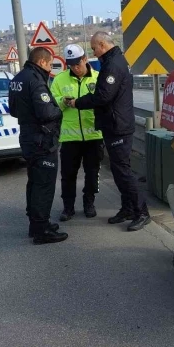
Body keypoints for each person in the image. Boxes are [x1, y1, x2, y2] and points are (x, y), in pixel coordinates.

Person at [66, 32, 150, 232]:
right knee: (119, 171)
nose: (93, 52)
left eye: (94, 48)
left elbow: (103, 96)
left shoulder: (113, 65)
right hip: (114, 124)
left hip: (118, 126)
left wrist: (78, 102)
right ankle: (128, 208)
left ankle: (142, 212)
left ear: (102, 44)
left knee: (124, 172)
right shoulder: (112, 62)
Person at [8, 47, 69, 244]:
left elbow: (14, 110)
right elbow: (46, 113)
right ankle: (42, 230)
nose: (51, 68)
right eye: (50, 64)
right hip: (42, 141)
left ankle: (36, 224)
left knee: (34, 182)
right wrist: (59, 110)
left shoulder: (17, 79)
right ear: (42, 62)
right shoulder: (35, 81)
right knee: (44, 185)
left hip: (27, 137)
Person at [50, 44, 104, 222]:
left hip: (93, 136)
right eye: (71, 64)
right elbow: (51, 103)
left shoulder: (98, 78)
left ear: (85, 59)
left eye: (77, 63)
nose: (74, 67)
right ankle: (68, 207)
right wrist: (62, 101)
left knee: (92, 173)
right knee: (68, 175)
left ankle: (89, 203)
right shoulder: (60, 80)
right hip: (69, 137)